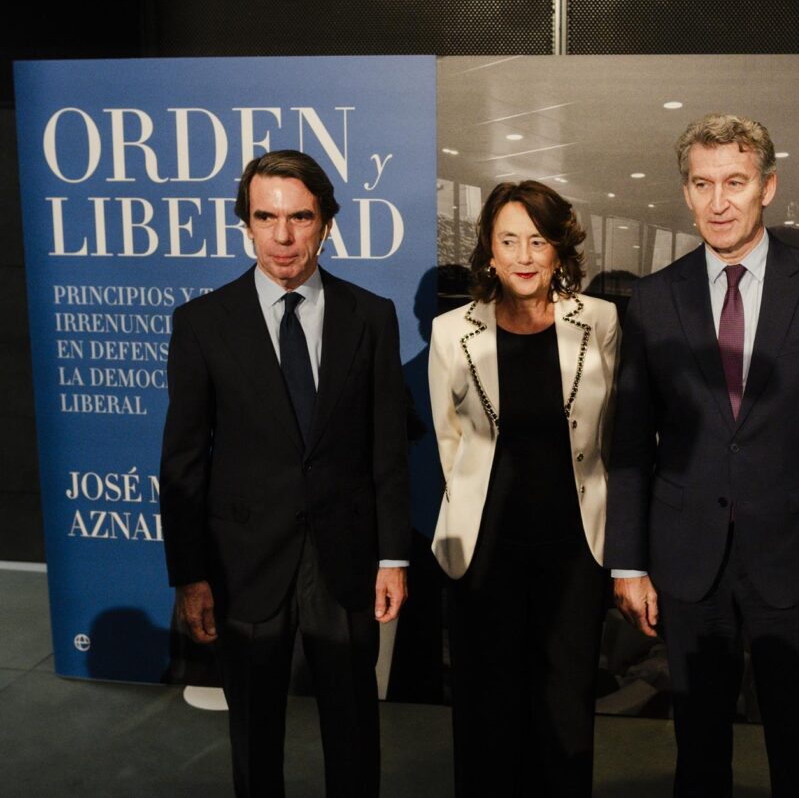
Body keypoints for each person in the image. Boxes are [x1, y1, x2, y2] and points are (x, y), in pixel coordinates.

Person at [605, 113, 799, 797]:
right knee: (697, 745)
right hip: (686, 555)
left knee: (796, 739)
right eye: (702, 183)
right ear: (687, 192)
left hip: (794, 553)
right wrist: (629, 561)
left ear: (768, 187)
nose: (718, 200)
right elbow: (631, 442)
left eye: (735, 181)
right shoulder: (653, 297)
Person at [160, 150, 411, 798]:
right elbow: (182, 461)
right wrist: (190, 576)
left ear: (326, 223)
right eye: (265, 216)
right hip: (244, 561)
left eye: (300, 216)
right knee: (254, 735)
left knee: (355, 730)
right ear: (245, 223)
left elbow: (387, 447)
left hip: (346, 556)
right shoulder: (202, 323)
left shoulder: (371, 316)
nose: (282, 235)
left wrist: (393, 556)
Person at [428, 181, 619, 796]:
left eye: (538, 240)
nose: (524, 255)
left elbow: (611, 436)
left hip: (575, 549)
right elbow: (448, 443)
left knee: (565, 708)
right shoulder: (451, 331)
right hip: (484, 552)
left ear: (560, 249)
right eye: (508, 240)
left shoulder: (602, 321)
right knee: (487, 710)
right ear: (488, 249)